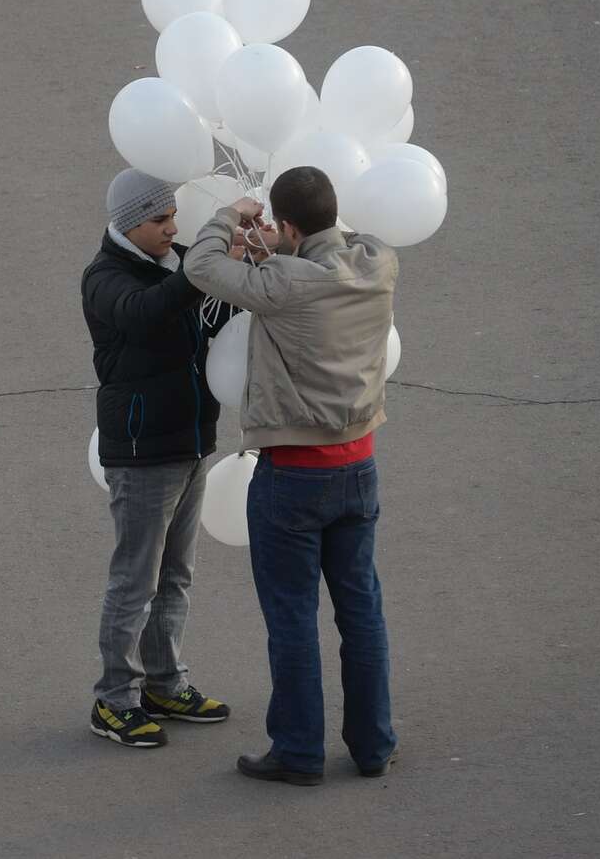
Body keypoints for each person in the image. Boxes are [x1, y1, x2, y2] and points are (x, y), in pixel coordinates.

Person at [181, 166, 400, 784]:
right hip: (359, 466)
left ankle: (300, 751)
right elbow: (330, 244)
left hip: (293, 477)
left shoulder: (281, 282)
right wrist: (289, 236)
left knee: (293, 619)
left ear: (289, 225)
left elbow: (201, 266)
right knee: (361, 611)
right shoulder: (378, 263)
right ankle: (373, 745)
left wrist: (232, 217)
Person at [79, 168, 247, 747]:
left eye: (174, 216)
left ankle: (164, 683)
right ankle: (113, 700)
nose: (172, 227)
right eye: (160, 220)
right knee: (136, 580)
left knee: (176, 575)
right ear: (130, 224)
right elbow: (148, 313)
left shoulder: (177, 259)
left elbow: (206, 323)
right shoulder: (104, 279)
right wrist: (207, 260)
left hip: (191, 439)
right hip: (143, 451)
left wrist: (240, 272)